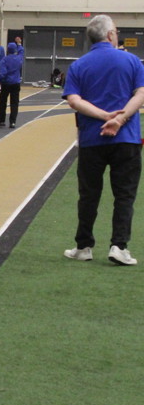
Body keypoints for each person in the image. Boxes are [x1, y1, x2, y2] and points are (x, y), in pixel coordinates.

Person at [62, 15, 144, 266]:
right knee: (124, 195)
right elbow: (141, 94)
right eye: (116, 31)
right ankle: (119, 246)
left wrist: (103, 116)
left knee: (88, 195)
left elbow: (74, 100)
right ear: (110, 35)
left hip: (91, 139)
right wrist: (119, 119)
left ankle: (83, 246)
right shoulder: (132, 61)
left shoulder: (78, 66)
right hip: (127, 139)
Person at [0, 39, 23, 129]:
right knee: (14, 103)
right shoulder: (19, 58)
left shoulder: (5, 59)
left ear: (8, 50)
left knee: (2, 102)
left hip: (6, 83)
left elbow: (2, 72)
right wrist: (19, 44)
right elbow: (21, 51)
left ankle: (1, 120)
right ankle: (12, 122)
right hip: (15, 83)